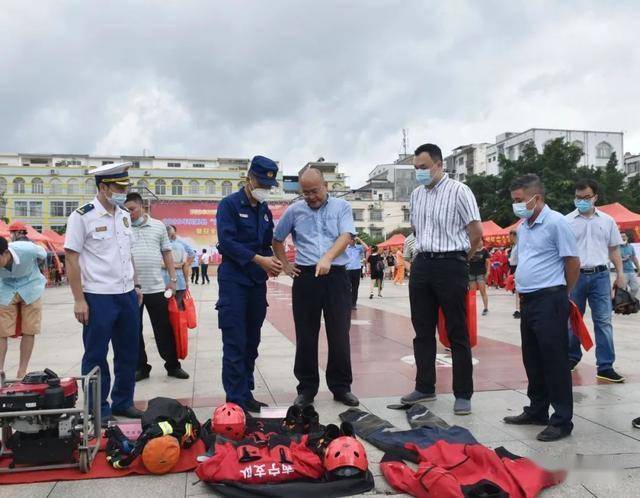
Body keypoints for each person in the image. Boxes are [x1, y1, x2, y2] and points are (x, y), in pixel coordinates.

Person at [401, 143, 482, 417]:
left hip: (451, 263)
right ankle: (425, 386)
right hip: (423, 263)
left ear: (439, 164)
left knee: (457, 331)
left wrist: (461, 258)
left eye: (424, 168)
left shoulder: (460, 191)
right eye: (416, 169)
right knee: (422, 329)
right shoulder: (416, 195)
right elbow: (417, 229)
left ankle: (463, 393)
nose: (420, 173)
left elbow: (476, 233)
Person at [502, 174, 580, 442]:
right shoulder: (524, 227)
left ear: (537, 198)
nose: (517, 205)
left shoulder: (557, 223)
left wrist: (562, 293)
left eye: (520, 200)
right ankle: (537, 410)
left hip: (550, 298)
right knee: (532, 358)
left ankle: (561, 420)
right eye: (514, 201)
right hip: (529, 300)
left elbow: (572, 262)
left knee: (554, 360)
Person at [64, 162, 143, 424]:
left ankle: (123, 402)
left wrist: (137, 284)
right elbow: (72, 259)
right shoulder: (82, 216)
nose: (123, 192)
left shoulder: (122, 215)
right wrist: (78, 299)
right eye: (118, 188)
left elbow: (127, 253)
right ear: (103, 187)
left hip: (127, 294)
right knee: (96, 354)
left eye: (125, 187)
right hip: (98, 296)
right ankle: (99, 409)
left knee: (128, 352)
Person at [273, 167, 358, 408]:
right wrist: (286, 265)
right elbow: (277, 238)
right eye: (306, 192)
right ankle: (306, 389)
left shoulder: (342, 208)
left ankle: (341, 387)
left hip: (336, 276)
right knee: (306, 335)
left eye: (315, 191)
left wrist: (328, 258)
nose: (311, 196)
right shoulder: (294, 210)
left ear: (326, 186)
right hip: (306, 277)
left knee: (339, 334)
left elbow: (346, 236)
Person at [216, 155, 282, 413]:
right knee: (235, 341)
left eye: (269, 186)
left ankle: (246, 392)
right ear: (249, 178)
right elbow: (227, 243)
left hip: (256, 282)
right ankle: (234, 402)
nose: (265, 190)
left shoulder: (263, 211)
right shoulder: (229, 205)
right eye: (262, 184)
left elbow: (267, 242)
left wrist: (274, 262)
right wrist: (259, 260)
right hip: (234, 282)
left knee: (251, 342)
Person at [124, 193, 189, 382]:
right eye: (126, 210)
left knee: (164, 328)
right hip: (131, 289)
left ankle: (173, 365)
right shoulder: (123, 227)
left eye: (132, 209)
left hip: (156, 287)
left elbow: (167, 253)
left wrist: (173, 279)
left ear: (142, 206)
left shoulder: (158, 226)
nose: (129, 214)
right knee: (134, 329)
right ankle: (141, 367)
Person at [566, 179, 625, 382]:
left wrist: (620, 274)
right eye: (578, 197)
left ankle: (606, 366)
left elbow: (614, 249)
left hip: (601, 275)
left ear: (595, 197)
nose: (582, 201)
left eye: (586, 197)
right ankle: (571, 358)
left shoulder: (607, 221)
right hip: (575, 276)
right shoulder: (566, 221)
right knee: (573, 319)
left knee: (603, 321)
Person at [0, 237, 46, 378]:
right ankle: (0, 370)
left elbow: (43, 254)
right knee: (1, 331)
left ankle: (22, 371)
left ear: (6, 253)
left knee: (29, 329)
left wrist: (34, 267)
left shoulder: (27, 248)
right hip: (6, 289)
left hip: (31, 287)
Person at [164, 225, 189, 308]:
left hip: (164, 282)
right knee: (178, 308)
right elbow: (184, 264)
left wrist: (168, 265)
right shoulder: (181, 247)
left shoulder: (159, 247)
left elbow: (160, 264)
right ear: (172, 234)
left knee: (166, 308)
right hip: (180, 282)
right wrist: (186, 282)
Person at [468, 247, 490, 315]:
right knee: (472, 293)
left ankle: (486, 308)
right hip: (471, 273)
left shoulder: (484, 251)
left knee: (483, 291)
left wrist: (488, 272)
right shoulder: (470, 249)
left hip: (481, 274)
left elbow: (488, 262)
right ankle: (472, 309)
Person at [345, 235, 365, 310]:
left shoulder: (359, 247)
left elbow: (367, 248)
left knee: (355, 288)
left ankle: (353, 304)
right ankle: (348, 303)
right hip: (348, 269)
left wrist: (360, 240)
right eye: (351, 239)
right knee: (347, 287)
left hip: (356, 269)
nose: (352, 241)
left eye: (354, 240)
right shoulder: (346, 247)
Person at [620, 231, 639, 298]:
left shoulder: (631, 247)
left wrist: (638, 269)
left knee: (635, 288)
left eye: (624, 236)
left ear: (627, 237)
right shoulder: (616, 248)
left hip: (631, 271)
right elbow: (613, 259)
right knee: (622, 290)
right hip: (622, 273)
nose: (622, 238)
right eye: (621, 237)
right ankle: (625, 304)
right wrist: (623, 259)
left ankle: (629, 299)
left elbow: (634, 258)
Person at [508, 230, 521, 318]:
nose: (509, 237)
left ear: (513, 235)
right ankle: (517, 309)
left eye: (510, 235)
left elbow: (520, 259)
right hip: (513, 267)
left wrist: (517, 271)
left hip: (517, 267)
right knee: (516, 290)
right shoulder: (514, 245)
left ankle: (519, 309)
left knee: (518, 290)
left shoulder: (519, 245)